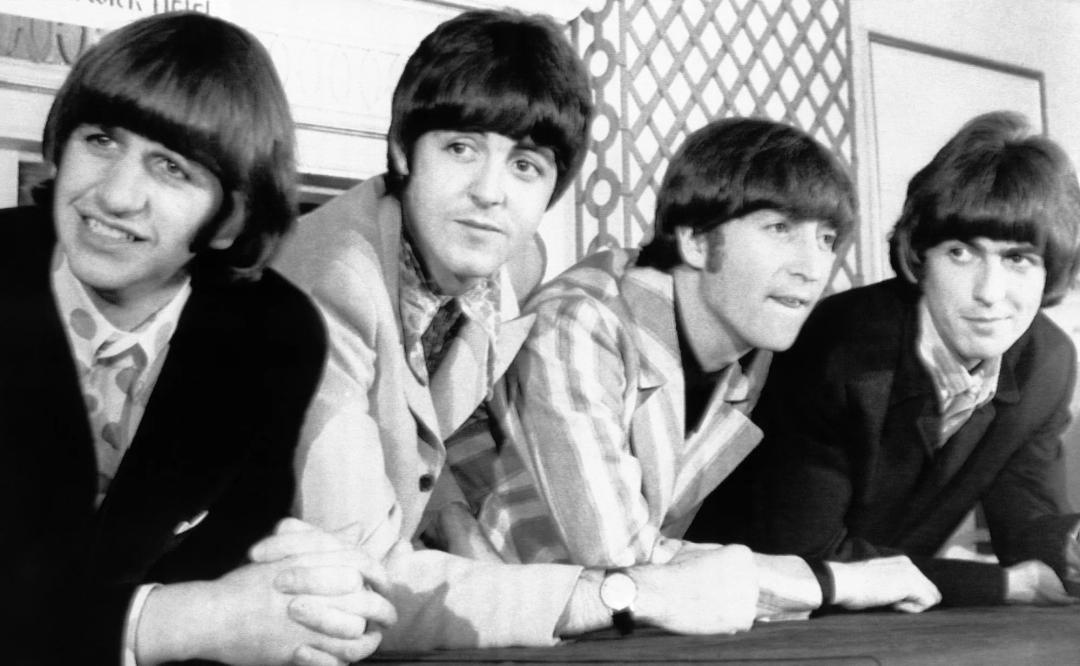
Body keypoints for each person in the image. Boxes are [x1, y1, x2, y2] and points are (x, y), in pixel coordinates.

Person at [275, 9, 762, 649]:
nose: (490, 192)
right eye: (461, 148)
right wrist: (631, 595)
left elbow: (417, 427)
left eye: (526, 165)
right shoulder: (329, 287)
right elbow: (355, 587)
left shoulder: (512, 262)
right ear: (401, 150)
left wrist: (452, 518)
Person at [3, 13, 395, 666]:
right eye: (100, 139)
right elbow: (207, 611)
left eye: (171, 168)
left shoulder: (276, 332)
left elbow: (232, 562)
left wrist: (313, 603)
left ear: (229, 218)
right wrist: (185, 620)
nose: (116, 195)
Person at [470, 117, 942, 619]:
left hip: (590, 623)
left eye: (826, 239)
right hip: (481, 617)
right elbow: (624, 561)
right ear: (695, 238)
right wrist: (830, 582)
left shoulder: (750, 348)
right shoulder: (579, 322)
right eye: (780, 229)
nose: (812, 267)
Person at [743, 110, 1080, 607]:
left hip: (890, 620)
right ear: (921, 256)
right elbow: (802, 556)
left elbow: (1025, 524)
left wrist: (1069, 544)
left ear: (1050, 270)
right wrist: (1004, 585)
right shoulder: (838, 347)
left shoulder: (1047, 362)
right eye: (961, 253)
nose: (990, 293)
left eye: (1018, 259)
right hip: (737, 613)